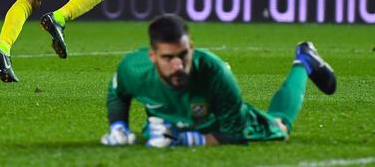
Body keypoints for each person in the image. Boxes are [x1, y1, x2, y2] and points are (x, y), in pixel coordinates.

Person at [100, 15, 336, 147]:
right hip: (175, 121)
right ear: (153, 57)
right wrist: (118, 127)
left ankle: (303, 63)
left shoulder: (215, 72)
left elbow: (235, 132)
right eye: (167, 58)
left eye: (183, 55)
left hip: (215, 120)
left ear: (191, 48)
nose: (178, 66)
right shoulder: (133, 69)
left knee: (281, 128)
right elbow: (117, 93)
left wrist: (190, 140)